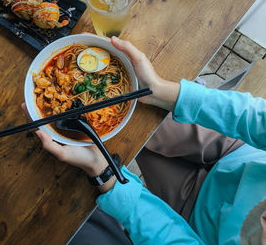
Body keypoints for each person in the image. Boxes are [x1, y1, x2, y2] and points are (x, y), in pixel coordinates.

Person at [24, 36, 266, 244]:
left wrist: (104, 173)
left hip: (195, 225)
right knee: (142, 116)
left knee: (122, 144)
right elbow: (258, 118)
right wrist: (159, 89)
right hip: (241, 149)